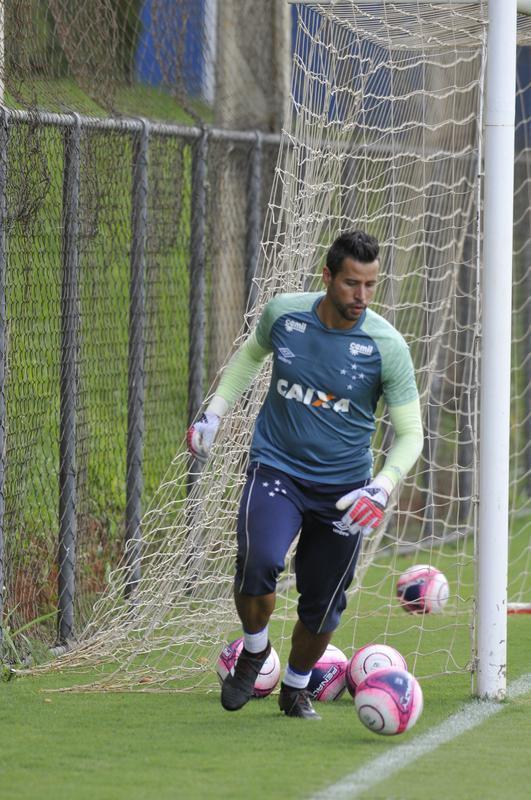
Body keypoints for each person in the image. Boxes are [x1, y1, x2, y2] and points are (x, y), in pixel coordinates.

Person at [187, 230, 423, 720]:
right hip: (277, 467)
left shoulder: (387, 346)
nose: (361, 297)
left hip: (346, 492)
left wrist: (381, 486)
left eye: (370, 285)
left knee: (322, 603)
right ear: (327, 277)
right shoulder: (285, 314)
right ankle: (254, 651)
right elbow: (250, 355)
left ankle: (295, 687)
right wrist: (216, 410)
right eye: (351, 284)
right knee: (257, 560)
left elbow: (410, 434)